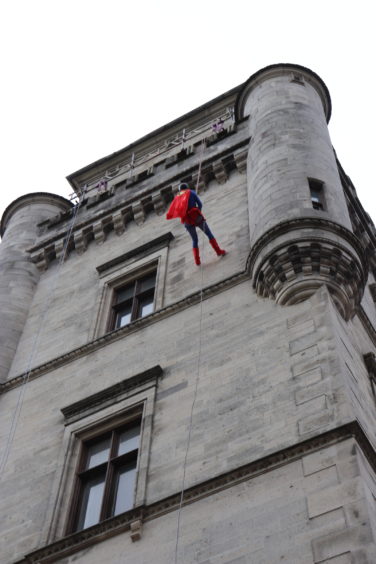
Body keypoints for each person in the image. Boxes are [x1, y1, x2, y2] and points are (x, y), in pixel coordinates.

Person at [166, 183, 226, 265]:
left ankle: (197, 261)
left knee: (195, 240)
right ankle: (218, 251)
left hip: (187, 221)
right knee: (209, 234)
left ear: (180, 190)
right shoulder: (191, 192)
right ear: (187, 187)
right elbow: (200, 204)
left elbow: (178, 211)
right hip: (197, 217)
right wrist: (198, 212)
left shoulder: (177, 198)